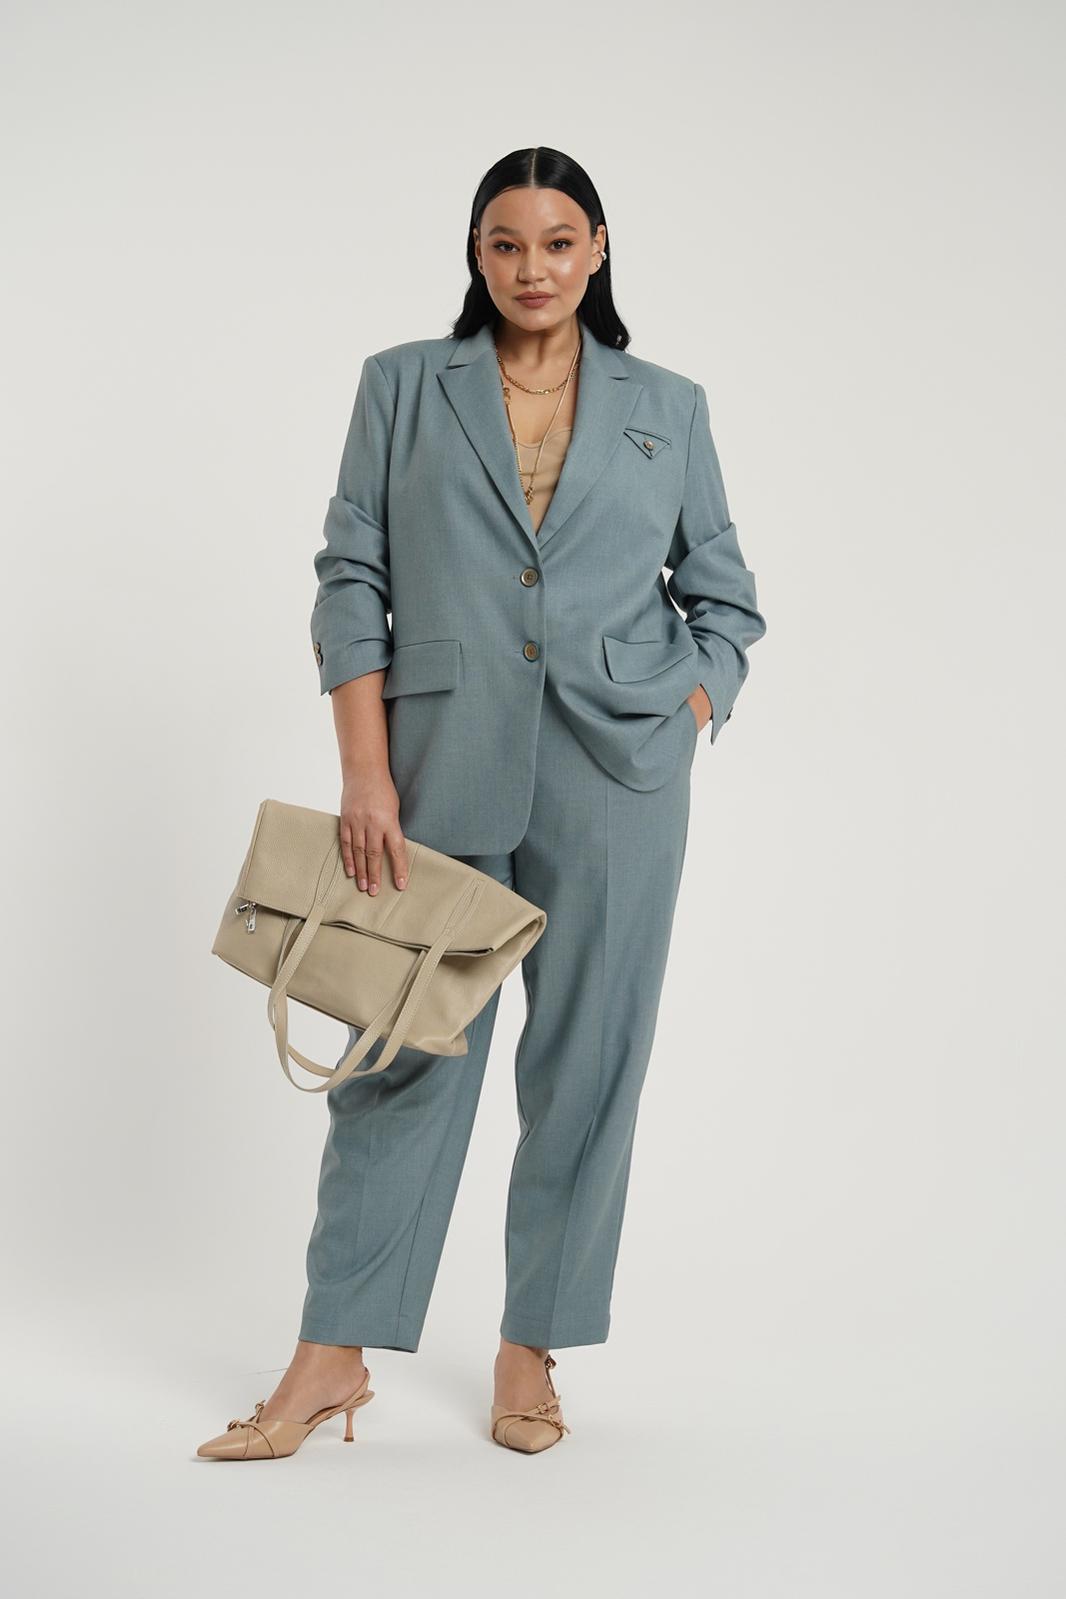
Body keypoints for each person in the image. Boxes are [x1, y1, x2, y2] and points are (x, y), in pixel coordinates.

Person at [197, 145, 766, 1461]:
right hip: (435, 770)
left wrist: (690, 703)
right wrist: (365, 771)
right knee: (400, 1054)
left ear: (597, 250)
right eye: (507, 243)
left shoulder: (668, 406)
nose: (532, 268)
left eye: (558, 243)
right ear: (476, 252)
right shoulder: (403, 384)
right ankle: (332, 1353)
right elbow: (353, 577)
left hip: (618, 776)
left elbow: (725, 595)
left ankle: (532, 1345)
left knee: (589, 1063)